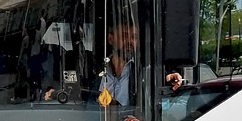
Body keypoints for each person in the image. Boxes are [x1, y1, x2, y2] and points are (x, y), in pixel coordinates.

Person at [44, 23, 183, 106]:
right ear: (111, 39)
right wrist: (54, 92)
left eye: (134, 37)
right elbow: (79, 95)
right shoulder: (95, 70)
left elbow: (161, 82)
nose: (130, 41)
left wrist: (170, 78)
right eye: (124, 35)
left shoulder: (143, 70)